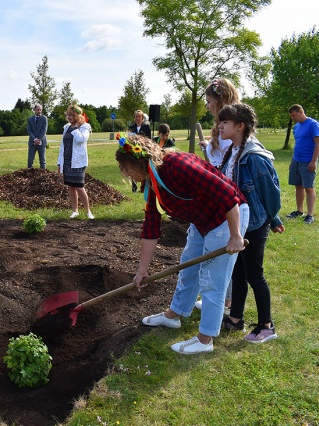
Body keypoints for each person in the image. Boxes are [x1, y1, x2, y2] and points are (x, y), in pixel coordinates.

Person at [116, 135, 248, 354]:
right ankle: (173, 315)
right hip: (202, 219)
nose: (126, 173)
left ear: (138, 162)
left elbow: (227, 194)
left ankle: (205, 339)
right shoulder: (152, 180)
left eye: (126, 167)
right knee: (188, 267)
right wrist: (142, 271)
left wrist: (235, 235)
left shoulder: (178, 165)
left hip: (227, 216)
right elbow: (151, 227)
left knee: (212, 279)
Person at [217, 103, 283, 343]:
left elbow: (271, 194)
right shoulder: (233, 151)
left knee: (255, 274)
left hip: (254, 223)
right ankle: (236, 319)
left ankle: (267, 325)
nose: (220, 125)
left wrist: (273, 218)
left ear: (240, 126)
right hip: (239, 224)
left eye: (225, 122)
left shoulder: (253, 157)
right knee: (238, 273)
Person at [195, 77, 240, 314]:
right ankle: (223, 299)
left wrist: (212, 152)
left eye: (209, 100)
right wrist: (208, 147)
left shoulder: (230, 126)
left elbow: (227, 162)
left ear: (220, 99)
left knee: (225, 252)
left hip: (228, 195)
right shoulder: (222, 125)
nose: (207, 104)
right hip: (221, 191)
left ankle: (226, 302)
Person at [285, 104, 319, 224]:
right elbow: (298, 144)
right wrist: (292, 161)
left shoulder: (313, 124)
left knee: (308, 188)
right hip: (296, 160)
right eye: (291, 116)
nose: (292, 118)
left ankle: (310, 215)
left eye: (294, 115)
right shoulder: (296, 127)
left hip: (308, 161)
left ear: (300, 112)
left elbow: (318, 143)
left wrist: (313, 161)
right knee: (298, 186)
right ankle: (299, 211)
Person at [57, 104, 94, 219]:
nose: (69, 117)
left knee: (79, 186)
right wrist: (59, 163)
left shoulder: (84, 126)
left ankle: (88, 212)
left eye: (72, 115)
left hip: (78, 161)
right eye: (68, 114)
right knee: (71, 187)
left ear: (77, 116)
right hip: (67, 161)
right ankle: (75, 211)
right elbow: (62, 145)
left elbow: (81, 140)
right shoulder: (66, 127)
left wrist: (76, 127)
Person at [198, 78, 239, 167]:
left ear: (219, 101)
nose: (207, 106)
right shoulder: (223, 126)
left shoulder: (231, 129)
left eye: (208, 102)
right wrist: (207, 146)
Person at [128, 110, 152, 192]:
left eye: (139, 116)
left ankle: (143, 188)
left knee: (143, 168)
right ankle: (134, 187)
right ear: (134, 118)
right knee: (133, 168)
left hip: (143, 151)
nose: (138, 118)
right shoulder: (131, 127)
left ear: (142, 118)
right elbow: (129, 139)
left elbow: (149, 139)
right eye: (136, 116)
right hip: (133, 151)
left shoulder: (146, 127)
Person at [27, 104, 48, 169]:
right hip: (32, 143)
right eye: (37, 109)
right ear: (34, 110)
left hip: (41, 142)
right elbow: (29, 130)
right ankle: (29, 175)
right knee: (30, 160)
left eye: (40, 110)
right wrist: (34, 139)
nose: (39, 111)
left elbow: (44, 130)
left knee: (42, 160)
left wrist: (38, 139)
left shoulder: (44, 118)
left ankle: (43, 176)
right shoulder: (30, 119)